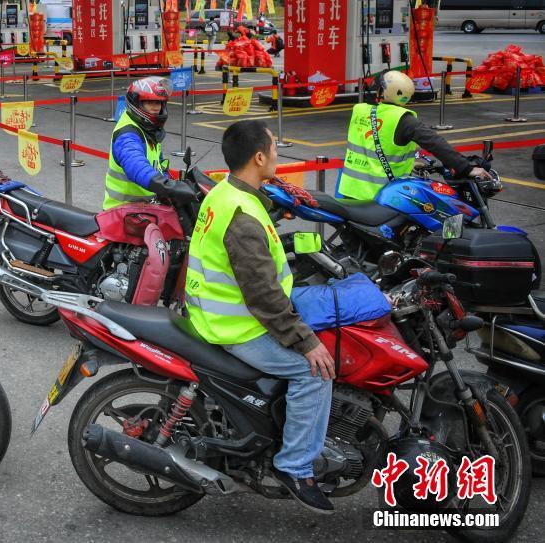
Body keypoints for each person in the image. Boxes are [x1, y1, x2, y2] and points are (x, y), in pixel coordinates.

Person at [184, 119, 335, 513]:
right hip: (235, 325)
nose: (278, 154)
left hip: (213, 311)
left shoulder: (226, 192)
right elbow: (264, 296)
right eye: (274, 148)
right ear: (258, 157)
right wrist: (307, 342)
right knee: (314, 371)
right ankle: (295, 466)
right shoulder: (242, 214)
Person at [337, 70, 493, 200]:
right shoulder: (403, 119)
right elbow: (434, 142)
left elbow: (373, 145)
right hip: (383, 196)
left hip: (350, 191)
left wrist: (409, 163)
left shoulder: (359, 110)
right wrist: (466, 168)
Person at [103, 77, 196, 210]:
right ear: (137, 104)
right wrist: (168, 187)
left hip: (143, 209)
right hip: (121, 214)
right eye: (150, 102)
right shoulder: (127, 134)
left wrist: (171, 186)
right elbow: (136, 166)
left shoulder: (149, 130)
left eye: (159, 103)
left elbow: (159, 165)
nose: (155, 108)